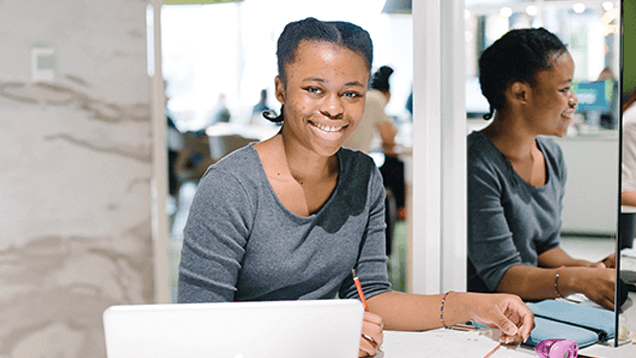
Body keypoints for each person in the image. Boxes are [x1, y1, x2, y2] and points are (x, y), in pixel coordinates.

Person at [178, 17, 533, 357]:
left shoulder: (362, 176)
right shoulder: (230, 186)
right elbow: (200, 323)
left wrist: (473, 304)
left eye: (351, 94)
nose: (333, 108)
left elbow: (372, 297)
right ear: (281, 90)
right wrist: (321, 335)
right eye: (314, 89)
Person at [467, 28, 616, 310]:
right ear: (520, 92)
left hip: (534, 309)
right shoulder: (477, 163)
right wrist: (578, 279)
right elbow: (502, 275)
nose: (574, 99)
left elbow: (545, 249)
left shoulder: (551, 155)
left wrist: (591, 269)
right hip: (486, 319)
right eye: (564, 89)